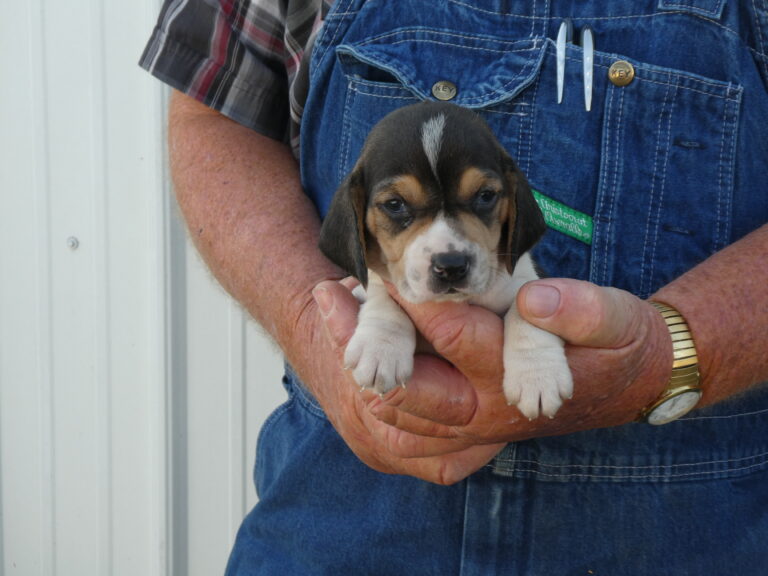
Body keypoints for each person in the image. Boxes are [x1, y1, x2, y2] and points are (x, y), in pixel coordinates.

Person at [141, 1, 768, 573]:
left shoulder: (510, 259)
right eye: (398, 209)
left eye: (481, 202)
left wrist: (674, 352)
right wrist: (326, 327)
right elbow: (215, 101)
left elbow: (532, 303)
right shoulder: (371, 260)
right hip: (344, 523)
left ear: (512, 209)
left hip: (667, 532)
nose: (448, 250)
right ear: (356, 222)